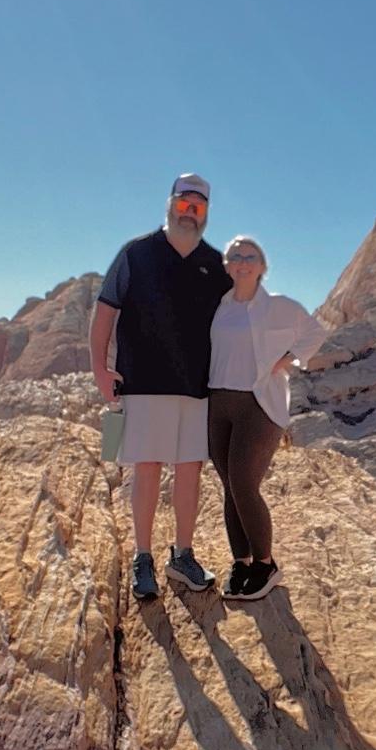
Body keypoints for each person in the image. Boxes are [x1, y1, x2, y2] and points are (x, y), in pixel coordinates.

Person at [90, 173, 232, 601]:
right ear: (170, 204)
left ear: (206, 213)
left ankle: (183, 556)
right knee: (147, 467)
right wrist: (100, 368)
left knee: (190, 469)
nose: (190, 212)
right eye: (184, 204)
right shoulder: (137, 253)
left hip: (196, 387)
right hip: (144, 382)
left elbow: (236, 327)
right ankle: (143, 558)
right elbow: (104, 312)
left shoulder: (215, 265)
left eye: (199, 207)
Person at [207, 235, 329, 600]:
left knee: (245, 483)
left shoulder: (280, 307)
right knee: (229, 486)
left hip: (259, 405)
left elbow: (315, 332)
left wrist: (289, 359)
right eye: (235, 256)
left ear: (262, 266)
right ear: (227, 266)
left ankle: (266, 564)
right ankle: (241, 563)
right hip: (218, 404)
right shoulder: (217, 307)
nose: (242, 261)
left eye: (250, 256)